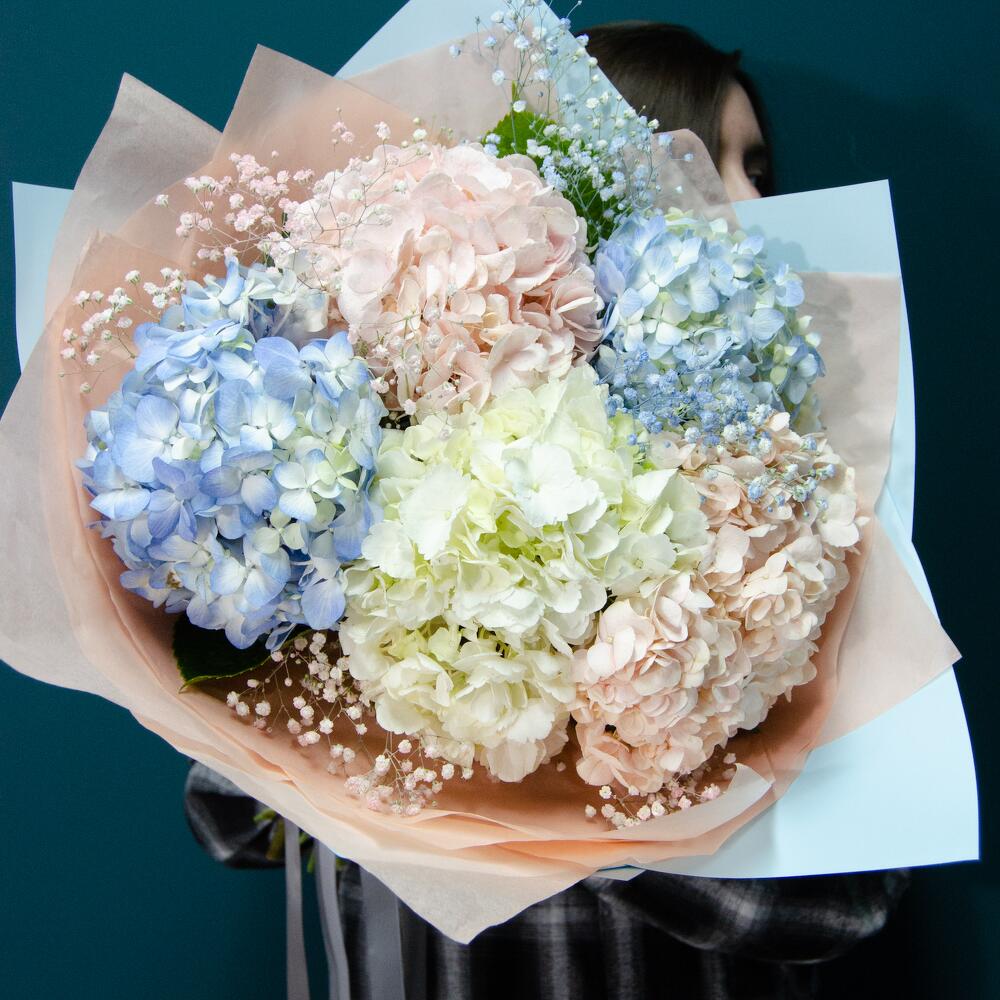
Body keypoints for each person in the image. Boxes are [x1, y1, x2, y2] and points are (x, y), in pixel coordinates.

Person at [184, 23, 909, 1000]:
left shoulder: (792, 517)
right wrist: (371, 731)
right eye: (704, 160)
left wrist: (587, 814)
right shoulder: (371, 481)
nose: (748, 202)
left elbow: (846, 902)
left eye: (759, 170)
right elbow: (227, 822)